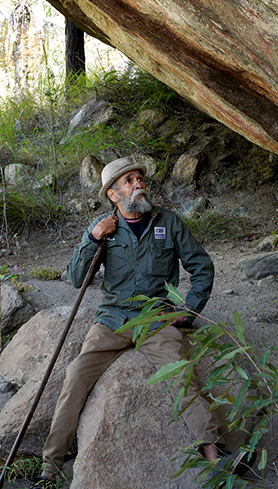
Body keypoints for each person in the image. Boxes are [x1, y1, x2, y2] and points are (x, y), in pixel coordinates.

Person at [39, 156, 224, 485]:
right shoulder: (104, 228)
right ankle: (50, 466)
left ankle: (213, 449)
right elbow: (76, 278)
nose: (138, 184)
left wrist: (188, 310)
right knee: (76, 374)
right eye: (129, 181)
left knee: (181, 373)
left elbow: (202, 267)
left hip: (156, 317)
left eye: (139, 178)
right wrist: (94, 237)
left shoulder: (168, 222)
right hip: (113, 319)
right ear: (113, 194)